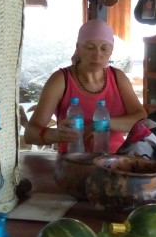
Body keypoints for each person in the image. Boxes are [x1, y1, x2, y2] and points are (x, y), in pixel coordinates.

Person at [24, 19, 146, 154]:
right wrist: (56, 135)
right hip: (72, 162)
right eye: (90, 47)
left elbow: (141, 120)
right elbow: (30, 134)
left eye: (104, 48)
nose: (97, 55)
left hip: (114, 161)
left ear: (111, 51)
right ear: (78, 47)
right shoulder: (61, 80)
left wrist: (101, 124)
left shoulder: (118, 78)